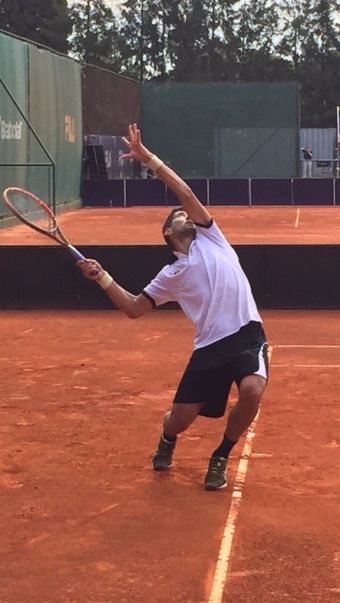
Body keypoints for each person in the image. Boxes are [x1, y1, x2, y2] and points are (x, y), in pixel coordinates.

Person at [78, 123, 269, 492]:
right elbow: (135, 307)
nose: (184, 213)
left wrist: (147, 158)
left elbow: (184, 190)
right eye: (176, 215)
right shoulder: (170, 275)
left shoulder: (211, 236)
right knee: (179, 420)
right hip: (208, 348)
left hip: (247, 334)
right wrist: (101, 277)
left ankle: (221, 455)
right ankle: (167, 438)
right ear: (168, 232)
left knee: (252, 391)